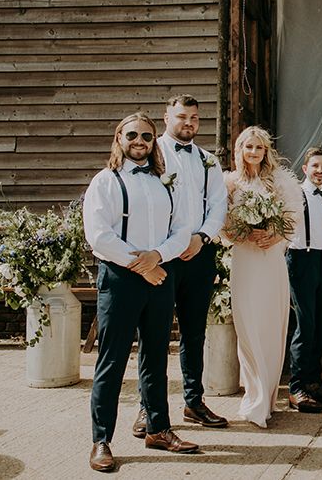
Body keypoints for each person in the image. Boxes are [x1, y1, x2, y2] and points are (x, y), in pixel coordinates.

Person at [83, 113, 196, 473]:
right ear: (119, 138)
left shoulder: (166, 181)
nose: (140, 141)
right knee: (112, 361)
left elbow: (182, 229)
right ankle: (101, 439)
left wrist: (158, 257)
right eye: (132, 135)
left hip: (161, 275)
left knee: (156, 356)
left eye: (146, 136)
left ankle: (159, 428)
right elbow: (99, 235)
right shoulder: (106, 181)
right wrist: (142, 264)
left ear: (153, 141)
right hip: (121, 278)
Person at [132, 95, 229, 438]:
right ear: (166, 117)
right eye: (181, 116)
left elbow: (219, 204)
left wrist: (202, 236)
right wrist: (165, 247)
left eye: (194, 118)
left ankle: (194, 401)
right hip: (162, 257)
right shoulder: (151, 153)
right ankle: (148, 408)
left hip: (199, 254)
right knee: (154, 335)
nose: (188, 123)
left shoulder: (208, 160)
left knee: (194, 332)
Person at [223, 126, 302, 428]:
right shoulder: (230, 182)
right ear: (240, 150)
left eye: (259, 148)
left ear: (266, 152)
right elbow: (223, 225)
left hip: (270, 260)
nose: (253, 152)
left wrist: (274, 234)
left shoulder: (278, 182)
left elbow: (292, 220)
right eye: (248, 147)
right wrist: (242, 234)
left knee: (271, 325)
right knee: (248, 325)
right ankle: (253, 396)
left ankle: (268, 396)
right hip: (245, 259)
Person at [286, 147, 322, 413]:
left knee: (320, 325)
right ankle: (296, 387)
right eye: (315, 166)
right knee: (305, 325)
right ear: (305, 169)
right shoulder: (296, 193)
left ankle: (313, 379)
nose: (319, 171)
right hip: (301, 259)